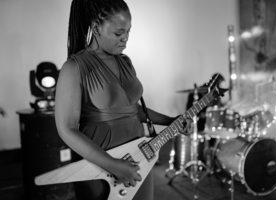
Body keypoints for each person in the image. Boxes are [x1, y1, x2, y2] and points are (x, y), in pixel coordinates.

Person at [54, 0, 192, 200]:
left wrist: (171, 121)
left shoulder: (125, 61)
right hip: (100, 167)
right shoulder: (74, 67)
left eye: (128, 31)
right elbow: (67, 129)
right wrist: (113, 165)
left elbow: (132, 110)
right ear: (96, 27)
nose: (125, 39)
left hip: (138, 158)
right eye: (119, 33)